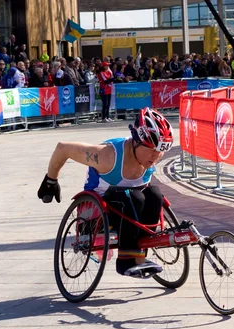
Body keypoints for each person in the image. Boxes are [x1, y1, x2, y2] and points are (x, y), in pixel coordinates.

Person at [37, 107, 174, 278]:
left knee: (154, 195)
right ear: (137, 140)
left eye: (161, 150)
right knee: (134, 197)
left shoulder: (148, 158)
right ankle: (125, 261)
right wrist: (51, 180)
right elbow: (62, 148)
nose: (156, 156)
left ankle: (140, 256)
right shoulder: (107, 156)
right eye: (152, 149)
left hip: (129, 211)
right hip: (97, 216)